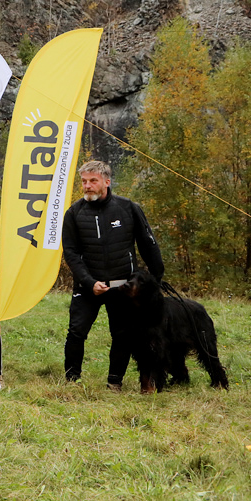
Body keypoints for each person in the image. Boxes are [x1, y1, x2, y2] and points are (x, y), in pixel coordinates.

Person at [62, 160, 164, 390]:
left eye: (93, 181)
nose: (87, 186)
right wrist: (89, 282)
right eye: (84, 181)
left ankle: (114, 383)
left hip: (122, 287)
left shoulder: (128, 208)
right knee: (76, 332)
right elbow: (71, 253)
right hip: (88, 286)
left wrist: (156, 278)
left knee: (122, 334)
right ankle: (72, 380)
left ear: (107, 182)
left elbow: (148, 244)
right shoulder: (74, 213)